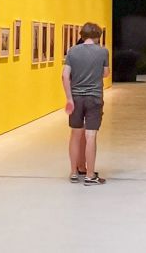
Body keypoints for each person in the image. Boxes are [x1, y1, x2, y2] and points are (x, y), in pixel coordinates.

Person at [62, 22, 110, 185]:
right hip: (94, 97)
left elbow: (65, 76)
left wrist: (69, 98)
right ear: (98, 36)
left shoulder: (72, 51)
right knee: (91, 135)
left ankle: (74, 172)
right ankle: (90, 175)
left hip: (76, 98)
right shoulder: (102, 51)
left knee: (75, 134)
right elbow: (106, 73)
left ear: (82, 35)